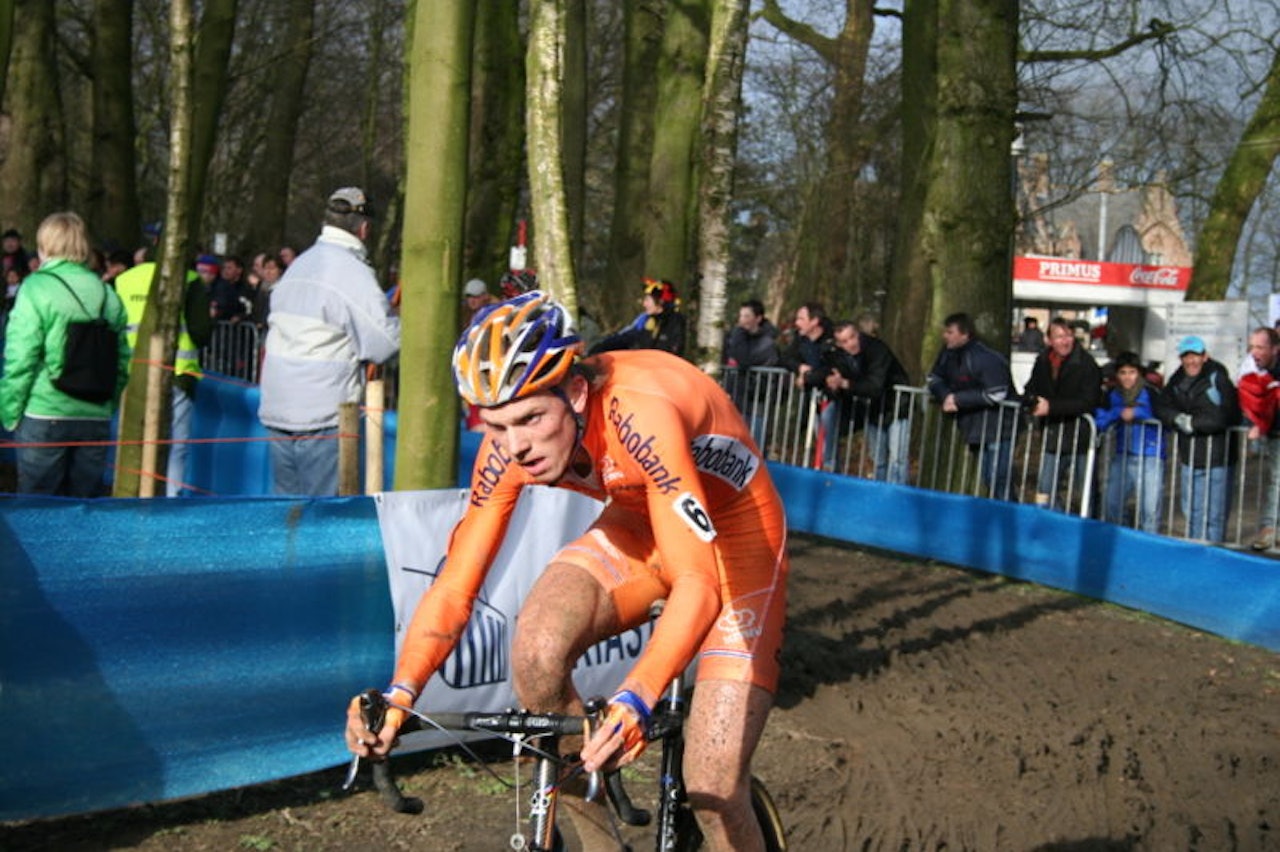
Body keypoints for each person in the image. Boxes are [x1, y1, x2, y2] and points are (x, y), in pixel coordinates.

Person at [346, 291, 788, 850]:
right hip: (642, 522)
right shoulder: (507, 449)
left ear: (576, 393)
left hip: (737, 537)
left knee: (713, 786)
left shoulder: (639, 413)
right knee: (536, 649)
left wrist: (636, 698)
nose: (516, 446)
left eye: (531, 418)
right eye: (496, 426)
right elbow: (457, 581)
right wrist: (402, 690)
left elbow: (698, 584)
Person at [258, 187, 401, 496]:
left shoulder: (300, 265)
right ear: (364, 228)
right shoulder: (351, 273)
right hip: (323, 415)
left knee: (287, 516)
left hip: (279, 408)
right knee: (323, 522)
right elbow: (384, 343)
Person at [0, 212, 130, 496]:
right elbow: (121, 362)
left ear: (45, 245)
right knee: (84, 510)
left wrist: (9, 411)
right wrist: (106, 406)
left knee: (38, 512)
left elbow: (21, 357)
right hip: (94, 415)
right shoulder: (108, 294)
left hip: (45, 411)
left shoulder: (35, 287)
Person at [114, 252, 213, 496]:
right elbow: (201, 332)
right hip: (177, 373)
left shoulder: (124, 279)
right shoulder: (190, 280)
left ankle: (130, 497)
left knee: (132, 439)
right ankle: (170, 502)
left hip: (132, 372)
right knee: (175, 447)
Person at [1154, 335, 1240, 543]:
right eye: (1186, 356)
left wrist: (1193, 423)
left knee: (1215, 516)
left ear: (1205, 356)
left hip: (1219, 457)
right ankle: (1194, 554)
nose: (1191, 361)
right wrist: (1177, 418)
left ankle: (1214, 555)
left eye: (1195, 356)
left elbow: (1227, 415)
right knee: (1192, 513)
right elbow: (1161, 406)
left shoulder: (1218, 377)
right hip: (1190, 457)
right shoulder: (1177, 379)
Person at [926, 312, 1019, 499]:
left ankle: (1011, 518)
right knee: (988, 477)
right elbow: (933, 377)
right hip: (975, 427)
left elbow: (997, 392)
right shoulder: (947, 355)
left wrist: (958, 400)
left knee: (998, 478)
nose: (945, 336)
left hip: (999, 428)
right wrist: (946, 396)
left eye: (950, 332)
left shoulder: (985, 358)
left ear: (965, 334)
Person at [1022, 317, 1103, 512]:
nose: (1065, 341)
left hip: (1081, 437)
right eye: (1059, 336)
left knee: (1085, 492)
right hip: (1052, 436)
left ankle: (1087, 528)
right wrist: (1031, 400)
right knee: (1045, 490)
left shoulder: (1087, 364)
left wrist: (1051, 407)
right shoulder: (1042, 361)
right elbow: (1031, 388)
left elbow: (1088, 401)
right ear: (1049, 340)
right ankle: (1053, 526)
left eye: (1068, 335)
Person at [823, 320, 913, 484]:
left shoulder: (877, 349)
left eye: (852, 337)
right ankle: (879, 492)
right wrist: (833, 385)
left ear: (858, 334)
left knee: (898, 458)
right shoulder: (837, 355)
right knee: (877, 458)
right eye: (844, 341)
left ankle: (897, 494)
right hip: (871, 409)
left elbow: (875, 385)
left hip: (897, 406)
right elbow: (829, 377)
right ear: (838, 343)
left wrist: (845, 384)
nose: (851, 344)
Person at [1094, 351, 1165, 533]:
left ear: (1139, 373)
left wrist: (1139, 413)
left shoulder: (1151, 392)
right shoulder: (1112, 394)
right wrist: (1118, 414)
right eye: (1123, 372)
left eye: (1132, 372)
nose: (1127, 377)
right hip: (1123, 454)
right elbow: (1100, 418)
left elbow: (1163, 415)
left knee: (1149, 509)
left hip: (1151, 455)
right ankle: (1122, 538)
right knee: (1112, 503)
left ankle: (1149, 546)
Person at [780, 302, 837, 469]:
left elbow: (829, 369)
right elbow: (785, 358)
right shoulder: (801, 338)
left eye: (801, 318)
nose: (797, 323)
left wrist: (807, 377)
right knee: (818, 439)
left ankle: (831, 475)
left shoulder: (832, 339)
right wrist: (800, 368)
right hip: (812, 397)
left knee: (828, 443)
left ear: (814, 321)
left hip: (832, 397)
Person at [1238, 327, 1280, 549]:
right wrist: (1255, 420)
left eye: (1260, 347)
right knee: (1276, 479)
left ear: (1275, 349)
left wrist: (1261, 424)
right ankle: (1271, 529)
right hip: (1275, 435)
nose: (1254, 352)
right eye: (1252, 347)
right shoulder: (1257, 371)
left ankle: (1269, 528)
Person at [723, 299, 779, 447]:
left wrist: (738, 334)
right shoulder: (736, 337)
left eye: (747, 316)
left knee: (754, 447)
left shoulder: (767, 342)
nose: (742, 321)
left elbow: (744, 359)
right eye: (741, 316)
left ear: (758, 318)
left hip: (756, 402)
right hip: (736, 398)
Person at [589, 278, 688, 358]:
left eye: (648, 300)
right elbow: (629, 337)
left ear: (660, 302)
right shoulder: (647, 319)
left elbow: (670, 352)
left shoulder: (675, 322)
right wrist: (603, 347)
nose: (644, 304)